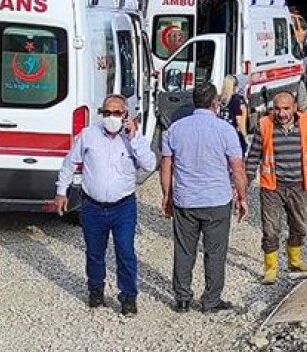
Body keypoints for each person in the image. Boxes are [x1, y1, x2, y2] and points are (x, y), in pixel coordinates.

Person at [53, 94, 157, 316]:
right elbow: (70, 163)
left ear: (126, 114)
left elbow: (150, 164)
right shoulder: (89, 135)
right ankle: (95, 290)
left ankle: (128, 297)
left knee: (125, 251)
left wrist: (134, 138)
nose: (111, 117)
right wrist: (62, 191)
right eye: (107, 112)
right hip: (92, 206)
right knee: (94, 252)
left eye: (116, 113)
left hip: (123, 207)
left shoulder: (134, 139)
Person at [160, 82, 249, 314]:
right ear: (215, 103)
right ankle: (211, 300)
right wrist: (243, 197)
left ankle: (181, 298)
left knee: (184, 250)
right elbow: (237, 168)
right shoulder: (225, 130)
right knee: (216, 252)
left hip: (185, 199)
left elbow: (166, 166)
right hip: (217, 199)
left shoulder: (175, 129)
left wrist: (166, 195)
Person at [246, 91, 307, 283]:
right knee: (271, 228)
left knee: (299, 226)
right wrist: (245, 183)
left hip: (299, 184)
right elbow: (253, 156)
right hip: (272, 186)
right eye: (277, 109)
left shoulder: (306, 123)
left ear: (294, 108)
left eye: (285, 108)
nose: (281, 113)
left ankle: (294, 260)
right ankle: (271, 268)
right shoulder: (264, 125)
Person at [222, 74, 250, 152]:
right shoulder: (236, 100)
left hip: (221, 133)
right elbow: (239, 121)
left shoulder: (220, 99)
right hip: (232, 134)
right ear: (234, 86)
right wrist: (244, 138)